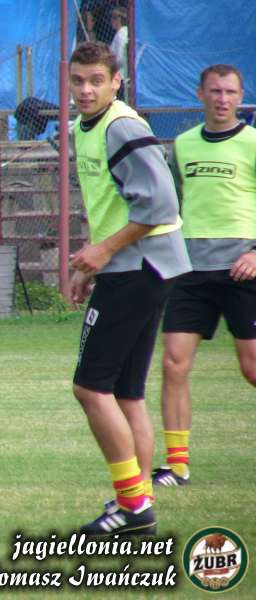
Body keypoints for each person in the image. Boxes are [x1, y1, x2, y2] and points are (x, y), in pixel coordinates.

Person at [67, 42, 191, 536]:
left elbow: (160, 205)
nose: (86, 90)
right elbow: (112, 204)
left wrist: (102, 252)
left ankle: (134, 506)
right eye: (78, 80)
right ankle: (138, 500)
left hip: (140, 267)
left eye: (96, 80)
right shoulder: (83, 128)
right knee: (127, 393)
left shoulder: (123, 127)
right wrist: (92, 263)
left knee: (89, 387)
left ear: (116, 82)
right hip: (139, 266)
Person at [154, 65, 256, 487]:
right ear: (200, 94)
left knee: (251, 368)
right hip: (192, 271)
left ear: (241, 96)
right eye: (215, 91)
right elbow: (171, 204)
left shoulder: (252, 143)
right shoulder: (182, 145)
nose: (222, 99)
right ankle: (177, 466)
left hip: (242, 270)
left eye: (230, 92)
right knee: (173, 364)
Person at [108, 7, 128, 100]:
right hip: (122, 74)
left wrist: (109, 65)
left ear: (119, 19)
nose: (111, 21)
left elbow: (120, 57)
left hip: (121, 75)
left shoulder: (121, 34)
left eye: (113, 18)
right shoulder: (124, 32)